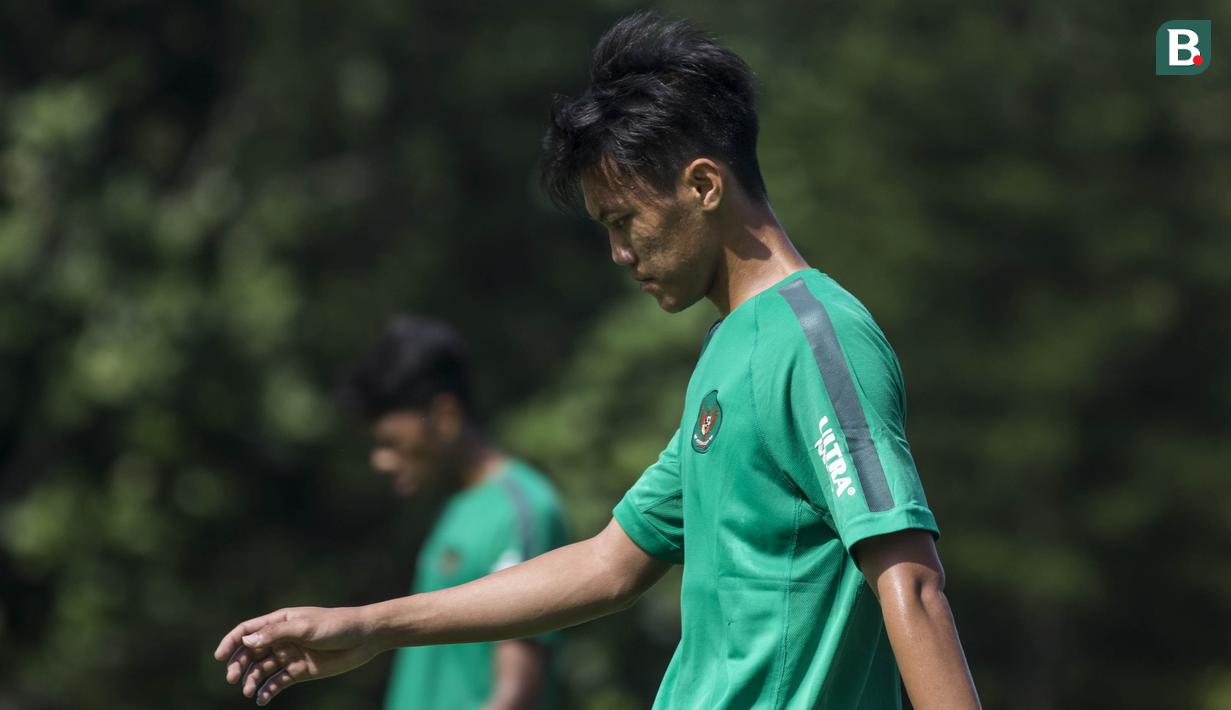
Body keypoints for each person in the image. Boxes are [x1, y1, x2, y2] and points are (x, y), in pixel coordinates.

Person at [215, 13, 982, 709]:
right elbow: (608, 565)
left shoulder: (816, 339)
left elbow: (909, 585)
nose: (618, 253)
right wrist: (373, 626)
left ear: (704, 185)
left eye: (624, 221)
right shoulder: (729, 350)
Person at [340, 315, 567, 709]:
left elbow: (514, 696)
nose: (381, 461)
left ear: (445, 416)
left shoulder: (523, 509)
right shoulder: (456, 508)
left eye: (390, 442)